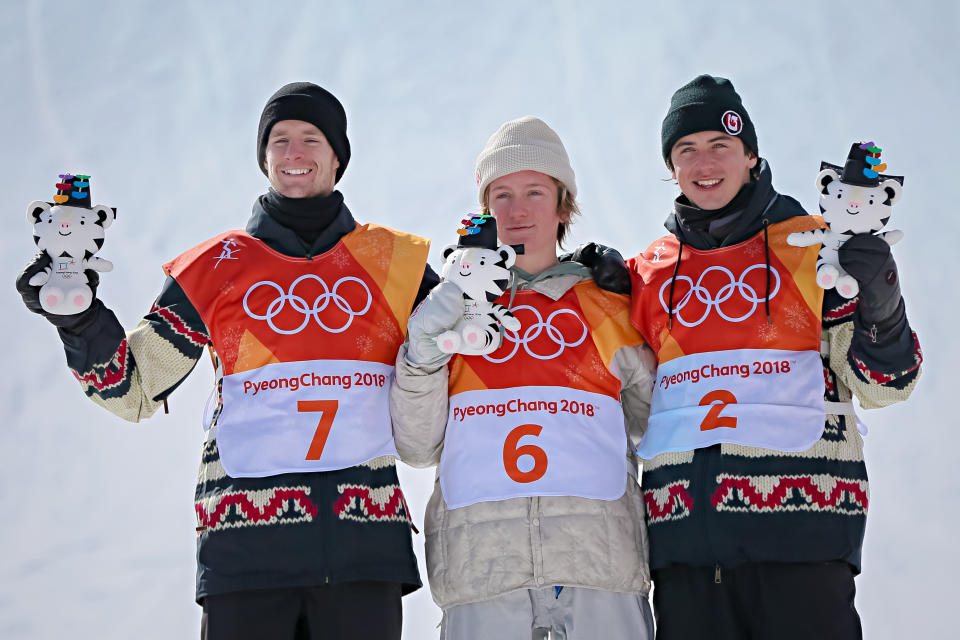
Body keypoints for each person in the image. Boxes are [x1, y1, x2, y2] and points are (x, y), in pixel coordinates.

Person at [17, 82, 439, 640]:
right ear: (263, 157)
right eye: (279, 140)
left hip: (363, 552)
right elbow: (134, 386)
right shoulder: (217, 267)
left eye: (311, 139)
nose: (294, 154)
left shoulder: (396, 263)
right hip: (245, 555)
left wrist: (580, 285)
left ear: (338, 156)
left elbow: (487, 354)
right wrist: (78, 318)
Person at [624, 75, 923, 639]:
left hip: (801, 542)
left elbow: (887, 386)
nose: (704, 162)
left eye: (720, 146)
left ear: (751, 155)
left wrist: (881, 302)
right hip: (685, 554)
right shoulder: (649, 271)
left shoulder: (814, 246)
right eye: (686, 149)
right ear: (671, 166)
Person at [390, 116, 657, 640]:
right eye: (502, 194)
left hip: (598, 568)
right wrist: (421, 354)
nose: (517, 210)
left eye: (535, 191)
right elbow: (418, 446)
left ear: (563, 204)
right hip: (483, 572)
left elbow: (658, 430)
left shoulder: (609, 305)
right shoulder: (454, 311)